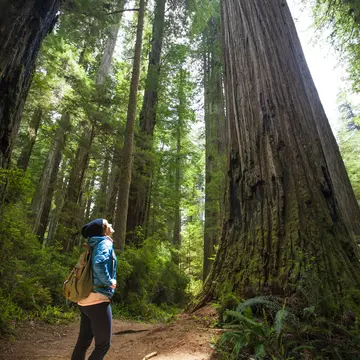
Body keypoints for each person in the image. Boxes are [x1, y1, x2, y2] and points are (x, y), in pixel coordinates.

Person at [71, 218, 117, 360]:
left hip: (85, 298)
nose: (110, 224)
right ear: (102, 230)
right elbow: (98, 264)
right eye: (106, 223)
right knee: (103, 345)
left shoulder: (93, 244)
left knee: (83, 342)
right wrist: (109, 281)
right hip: (97, 299)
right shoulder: (104, 243)